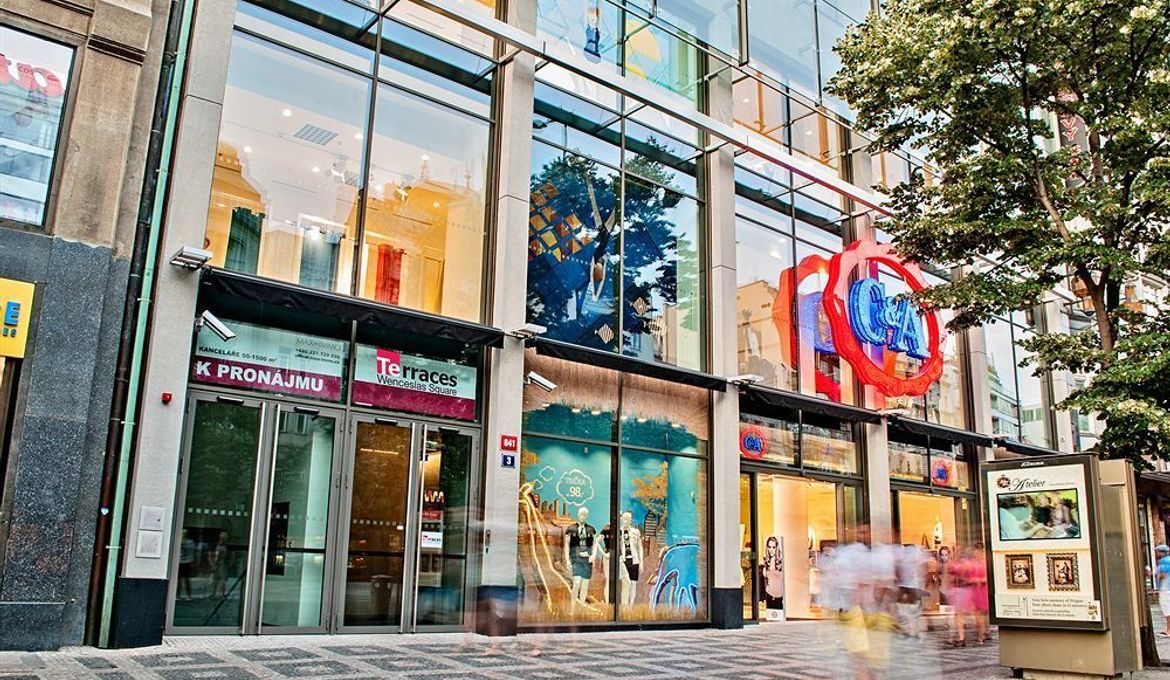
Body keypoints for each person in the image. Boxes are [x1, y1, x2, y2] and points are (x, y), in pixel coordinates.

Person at [1156, 545, 1170, 636]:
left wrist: (1156, 574)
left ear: (1162, 552)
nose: (1156, 553)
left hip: (1165, 589)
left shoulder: (1164, 562)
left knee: (1167, 610)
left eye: (1157, 551)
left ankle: (1168, 630)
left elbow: (1163, 575)